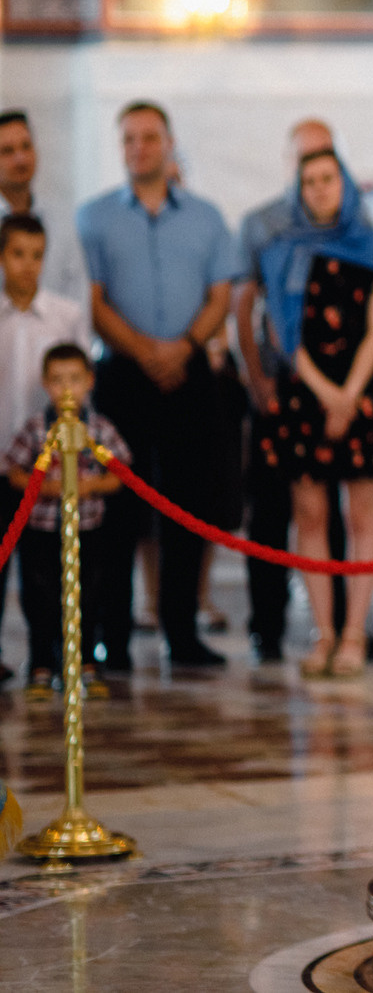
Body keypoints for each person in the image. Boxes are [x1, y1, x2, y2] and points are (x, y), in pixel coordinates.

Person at [78, 101, 240, 671]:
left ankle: (182, 631)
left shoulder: (207, 217)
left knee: (187, 504)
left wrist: (183, 347)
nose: (139, 148)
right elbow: (94, 300)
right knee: (117, 511)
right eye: (129, 138)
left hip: (188, 372)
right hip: (123, 374)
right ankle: (114, 637)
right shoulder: (94, 218)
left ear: (169, 144)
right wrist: (144, 349)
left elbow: (221, 296)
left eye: (149, 137)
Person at [256, 146, 373, 677]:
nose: (320, 189)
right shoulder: (282, 249)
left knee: (363, 514)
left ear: (344, 184)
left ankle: (355, 633)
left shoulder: (370, 243)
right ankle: (323, 633)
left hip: (358, 390)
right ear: (299, 190)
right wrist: (325, 393)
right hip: (305, 390)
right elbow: (281, 330)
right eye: (310, 181)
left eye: (328, 179)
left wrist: (350, 393)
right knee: (310, 515)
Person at [234, 117, 337, 665]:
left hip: (337, 393)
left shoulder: (351, 222)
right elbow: (245, 305)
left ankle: (336, 625)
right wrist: (257, 378)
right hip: (280, 385)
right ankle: (267, 626)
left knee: (333, 513)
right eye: (305, 159)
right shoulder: (262, 224)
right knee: (271, 511)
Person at [0, 214, 94, 688]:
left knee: (49, 571)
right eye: (18, 254)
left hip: (51, 466)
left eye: (37, 255)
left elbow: (81, 383)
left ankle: (54, 655)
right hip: (2, 457)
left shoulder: (65, 315)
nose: (28, 265)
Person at [5, 344, 130, 697]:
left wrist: (93, 485)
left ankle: (86, 662)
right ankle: (41, 664)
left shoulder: (99, 428)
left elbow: (120, 472)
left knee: (88, 597)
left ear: (90, 381)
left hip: (88, 528)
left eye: (74, 379)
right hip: (43, 529)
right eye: (58, 380)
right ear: (46, 384)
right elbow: (13, 470)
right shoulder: (36, 429)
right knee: (41, 598)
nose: (67, 389)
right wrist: (42, 486)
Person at [0, 111, 88, 303]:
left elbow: (77, 291)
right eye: (7, 151)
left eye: (26, 146)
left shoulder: (61, 220)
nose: (20, 158)